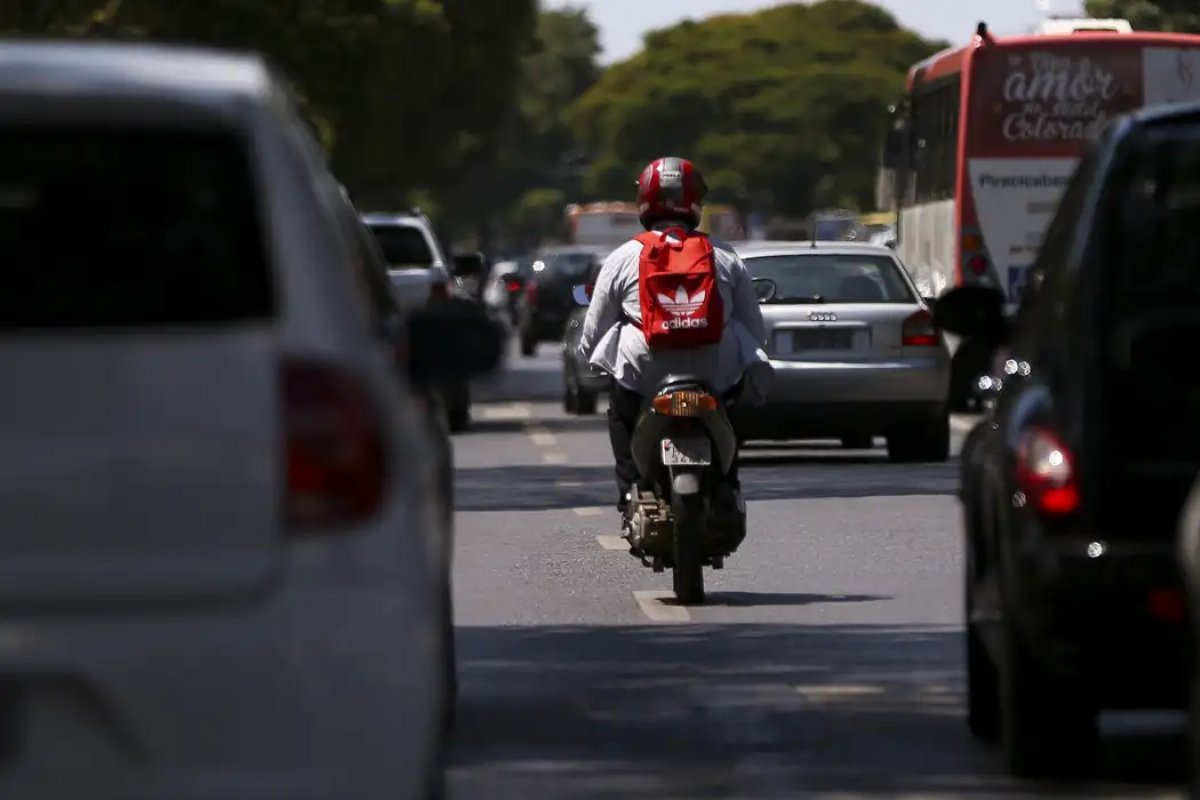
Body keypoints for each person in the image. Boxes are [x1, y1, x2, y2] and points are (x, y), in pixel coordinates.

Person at [577, 156, 774, 515]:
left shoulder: (623, 257)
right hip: (716, 375)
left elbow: (593, 334)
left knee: (620, 415)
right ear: (695, 202)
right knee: (738, 405)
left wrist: (593, 359)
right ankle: (729, 485)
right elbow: (755, 331)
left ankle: (630, 491)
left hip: (644, 376)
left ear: (645, 201)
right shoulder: (726, 255)